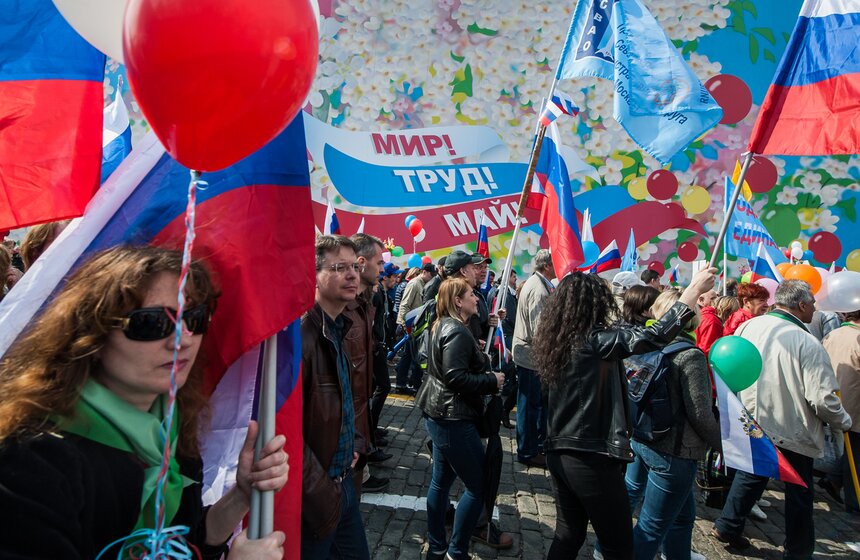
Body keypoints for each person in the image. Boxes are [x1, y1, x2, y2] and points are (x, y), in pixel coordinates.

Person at [0, 246, 288, 559]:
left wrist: (241, 494)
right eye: (151, 323)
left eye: (194, 318)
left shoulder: (169, 429)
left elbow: (184, 539)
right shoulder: (29, 459)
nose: (183, 339)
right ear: (91, 335)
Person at [533, 267, 716, 560]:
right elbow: (653, 337)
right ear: (591, 305)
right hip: (590, 457)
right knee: (619, 546)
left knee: (569, 535)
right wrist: (693, 291)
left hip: (562, 450)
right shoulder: (593, 342)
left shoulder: (559, 341)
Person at [711, 280, 852, 557]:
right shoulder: (807, 342)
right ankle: (798, 550)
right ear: (801, 305)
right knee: (799, 491)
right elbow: (822, 398)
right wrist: (842, 421)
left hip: (753, 416)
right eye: (812, 303)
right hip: (791, 425)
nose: (815, 309)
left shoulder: (750, 325)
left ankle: (727, 525)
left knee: (753, 473)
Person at [414, 278, 505, 560]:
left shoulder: (449, 325)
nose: (476, 299)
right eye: (470, 295)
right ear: (457, 301)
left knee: (440, 482)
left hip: (441, 413)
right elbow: (454, 377)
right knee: (477, 487)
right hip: (452, 417)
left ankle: (438, 547)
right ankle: (456, 551)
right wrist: (492, 379)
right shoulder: (455, 330)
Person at [629, 290, 721, 560]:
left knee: (682, 516)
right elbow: (701, 414)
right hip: (675, 451)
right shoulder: (690, 355)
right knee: (652, 525)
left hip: (644, 436)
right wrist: (723, 446)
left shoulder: (646, 342)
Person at [301, 235, 370, 559]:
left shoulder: (338, 326)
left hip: (341, 485)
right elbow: (286, 431)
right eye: (339, 267)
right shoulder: (301, 336)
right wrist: (322, 491)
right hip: (316, 496)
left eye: (355, 266)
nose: (353, 275)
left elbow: (341, 399)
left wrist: (356, 441)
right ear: (313, 274)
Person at [345, 233, 392, 483]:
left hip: (357, 418)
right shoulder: (342, 309)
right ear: (362, 262)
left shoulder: (365, 304)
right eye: (380, 262)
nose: (383, 268)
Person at [512, 249, 555, 468]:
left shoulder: (537, 283)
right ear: (546, 266)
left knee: (531, 405)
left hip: (529, 354)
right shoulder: (538, 289)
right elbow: (540, 331)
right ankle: (528, 451)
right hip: (531, 357)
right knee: (530, 406)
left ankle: (531, 447)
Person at [822, 309, 860, 514]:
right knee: (856, 453)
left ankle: (834, 480)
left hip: (834, 399)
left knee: (852, 450)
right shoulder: (857, 338)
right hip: (853, 403)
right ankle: (854, 501)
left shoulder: (833, 334)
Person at [395, 264, 434, 394]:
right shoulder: (414, 284)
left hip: (418, 326)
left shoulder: (424, 284)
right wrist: (404, 324)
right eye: (431, 274)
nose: (432, 277)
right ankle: (401, 383)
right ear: (424, 272)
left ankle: (414, 383)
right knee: (407, 357)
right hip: (410, 326)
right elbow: (405, 304)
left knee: (415, 356)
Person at [695, 289, 722, 355]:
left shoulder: (697, 315)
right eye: (713, 299)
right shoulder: (710, 320)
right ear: (701, 300)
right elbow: (708, 349)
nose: (717, 301)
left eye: (717, 298)